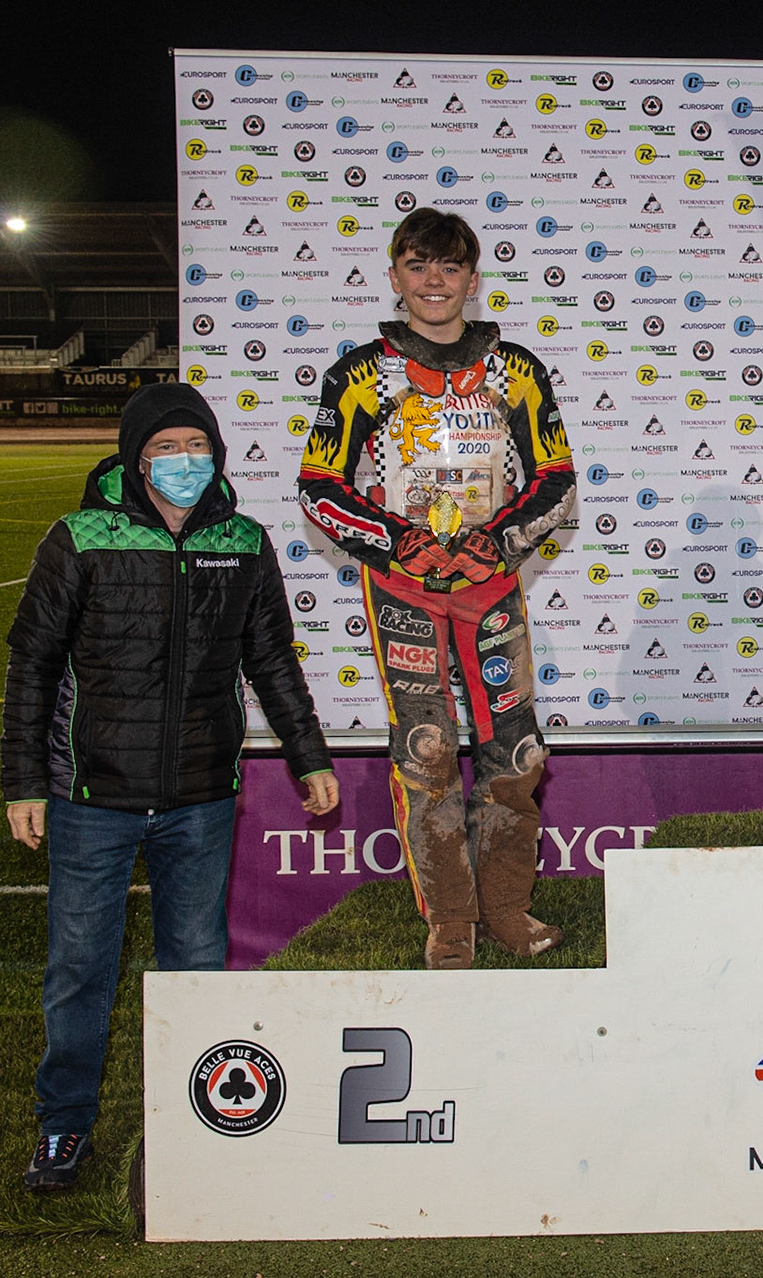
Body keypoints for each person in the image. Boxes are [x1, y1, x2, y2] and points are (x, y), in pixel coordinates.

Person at [2, 382, 337, 1191]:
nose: (183, 463)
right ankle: (64, 1128)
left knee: (193, 966)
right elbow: (33, 665)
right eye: (164, 449)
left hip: (200, 797)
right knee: (81, 968)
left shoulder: (244, 541)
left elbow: (271, 662)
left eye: (196, 447)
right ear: (133, 457)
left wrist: (309, 755)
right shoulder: (79, 538)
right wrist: (24, 782)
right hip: (91, 798)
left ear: (216, 454)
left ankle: (192, 1124)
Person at [299, 207, 576, 969]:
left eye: (449, 268)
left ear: (473, 281)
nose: (433, 281)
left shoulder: (517, 369)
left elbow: (556, 480)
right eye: (417, 267)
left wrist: (496, 542)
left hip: (489, 586)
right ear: (394, 278)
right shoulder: (360, 372)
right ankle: (451, 921)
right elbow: (318, 484)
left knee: (516, 755)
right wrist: (399, 541)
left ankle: (509, 910)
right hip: (404, 587)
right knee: (426, 754)